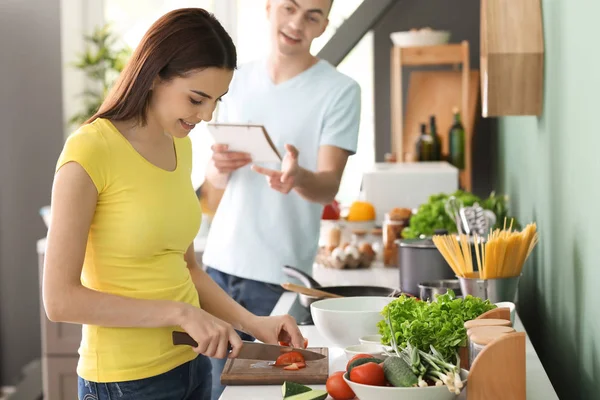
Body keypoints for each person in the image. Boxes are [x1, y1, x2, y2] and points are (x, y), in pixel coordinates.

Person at [42, 8, 305, 400]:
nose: (207, 115)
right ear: (155, 74)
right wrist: (180, 313)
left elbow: (186, 268)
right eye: (197, 98)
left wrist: (254, 323)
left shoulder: (178, 144)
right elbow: (60, 301)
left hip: (192, 368)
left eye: (217, 100)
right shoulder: (90, 150)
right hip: (122, 383)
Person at [202, 0, 361, 397]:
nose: (297, 23)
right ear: (269, 7)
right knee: (209, 390)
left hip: (276, 276)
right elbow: (211, 187)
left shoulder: (340, 90)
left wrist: (298, 177)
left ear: (324, 25)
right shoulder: (233, 80)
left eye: (313, 15)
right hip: (215, 268)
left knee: (259, 393)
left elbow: (328, 185)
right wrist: (217, 168)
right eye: (289, 7)